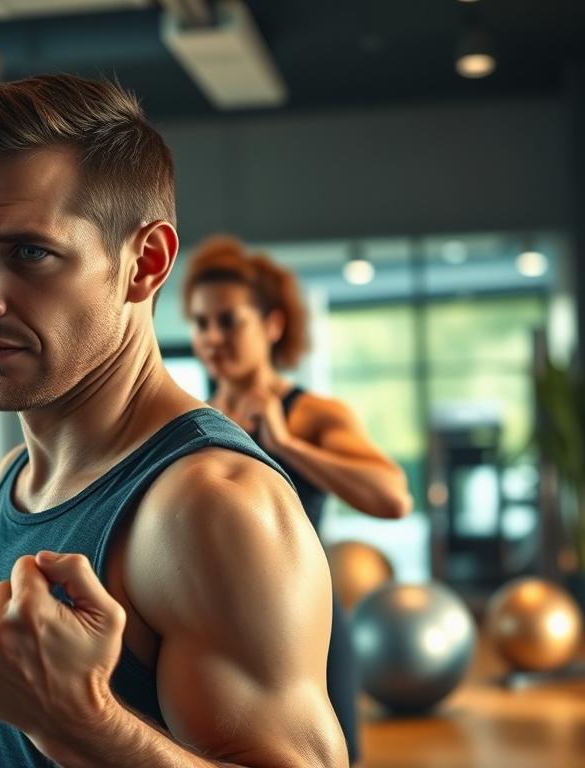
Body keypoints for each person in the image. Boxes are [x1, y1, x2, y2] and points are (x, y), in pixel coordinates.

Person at [0, 75, 348, 768]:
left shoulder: (210, 505)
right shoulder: (15, 479)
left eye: (29, 252)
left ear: (144, 263)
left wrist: (83, 724)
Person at [183, 236, 412, 765]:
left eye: (228, 321)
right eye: (199, 323)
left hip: (302, 625)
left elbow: (394, 497)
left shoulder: (311, 414)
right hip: (213, 628)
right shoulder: (193, 419)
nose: (211, 337)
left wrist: (286, 445)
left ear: (272, 325)